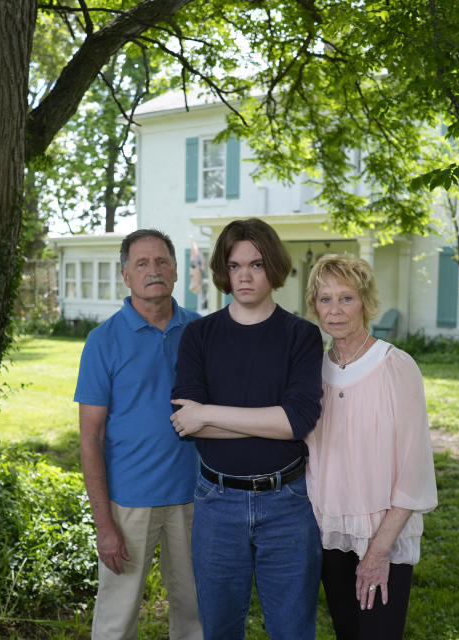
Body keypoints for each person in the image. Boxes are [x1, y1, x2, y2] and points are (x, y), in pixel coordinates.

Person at [170, 218, 324, 640]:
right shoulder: (198, 335)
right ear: (224, 270)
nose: (245, 275)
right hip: (216, 504)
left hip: (289, 505)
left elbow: (298, 421)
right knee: (219, 630)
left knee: (292, 631)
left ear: (272, 268)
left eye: (256, 265)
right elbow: (187, 424)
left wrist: (210, 414)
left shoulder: (302, 336)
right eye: (235, 266)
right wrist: (266, 422)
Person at [74, 229, 203, 640]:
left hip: (196, 497)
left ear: (176, 271)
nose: (154, 271)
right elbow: (90, 438)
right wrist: (103, 525)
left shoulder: (202, 333)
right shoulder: (103, 341)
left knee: (197, 611)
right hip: (129, 501)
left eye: (162, 262)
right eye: (142, 263)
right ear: (125, 275)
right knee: (117, 616)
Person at [304, 254, 438, 640]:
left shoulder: (396, 366)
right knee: (348, 633)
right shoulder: (311, 370)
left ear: (365, 302)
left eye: (346, 298)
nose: (335, 310)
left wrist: (379, 551)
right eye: (325, 299)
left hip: (384, 536)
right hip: (330, 533)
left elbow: (414, 471)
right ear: (315, 304)